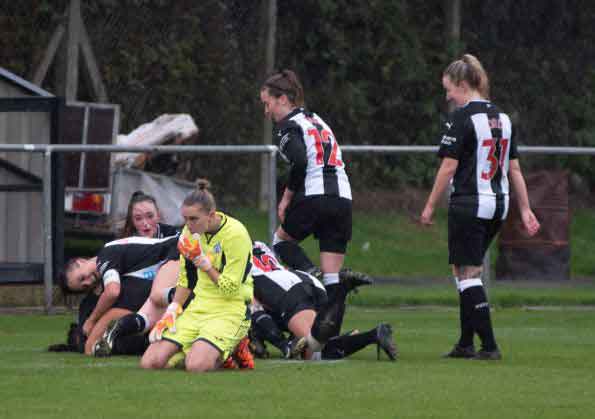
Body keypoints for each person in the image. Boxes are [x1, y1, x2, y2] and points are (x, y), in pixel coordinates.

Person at [420, 54, 540, 360]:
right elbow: (514, 169)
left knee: (469, 274)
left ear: (462, 85)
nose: (448, 96)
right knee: (463, 270)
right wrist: (525, 209)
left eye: (449, 90)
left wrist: (430, 206)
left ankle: (488, 346)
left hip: (470, 203)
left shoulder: (462, 118)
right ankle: (465, 343)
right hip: (498, 206)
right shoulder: (504, 118)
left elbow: (448, 167)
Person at [260, 70, 356, 350]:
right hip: (343, 197)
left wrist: (287, 197)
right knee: (333, 275)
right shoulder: (318, 120)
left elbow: (300, 162)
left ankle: (308, 272)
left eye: (268, 103)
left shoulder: (288, 126)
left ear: (283, 99)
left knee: (280, 242)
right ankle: (330, 340)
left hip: (315, 194)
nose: (266, 111)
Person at [140, 180, 254, 373]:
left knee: (196, 366)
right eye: (185, 219)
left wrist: (205, 265)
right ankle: (199, 348)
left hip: (230, 309)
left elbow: (230, 288)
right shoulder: (188, 233)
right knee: (150, 363)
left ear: (211, 215)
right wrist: (172, 310)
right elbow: (186, 279)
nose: (188, 225)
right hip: (199, 307)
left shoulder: (236, 234)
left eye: (194, 219)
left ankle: (233, 345)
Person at [249, 241, 394, 361]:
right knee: (327, 345)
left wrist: (283, 345)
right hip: (305, 281)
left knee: (316, 352)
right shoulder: (259, 245)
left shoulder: (234, 259)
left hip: (288, 291)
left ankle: (341, 289)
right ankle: (374, 335)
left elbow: (253, 305)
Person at [60, 234, 180, 355]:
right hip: (174, 259)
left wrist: (91, 320)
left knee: (155, 297)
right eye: (84, 286)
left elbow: (112, 292)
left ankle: (96, 344)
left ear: (80, 261)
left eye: (81, 278)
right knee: (152, 302)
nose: (88, 282)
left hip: (178, 252)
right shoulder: (124, 273)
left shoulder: (105, 255)